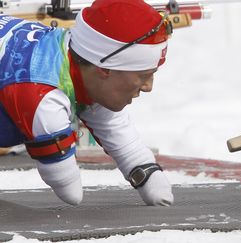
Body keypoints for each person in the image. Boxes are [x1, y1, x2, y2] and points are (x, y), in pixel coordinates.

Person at [0, 0, 174, 206]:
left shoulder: (80, 59)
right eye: (144, 75)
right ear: (104, 70)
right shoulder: (42, 95)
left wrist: (148, 175)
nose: (148, 87)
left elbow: (119, 134)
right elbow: (70, 192)